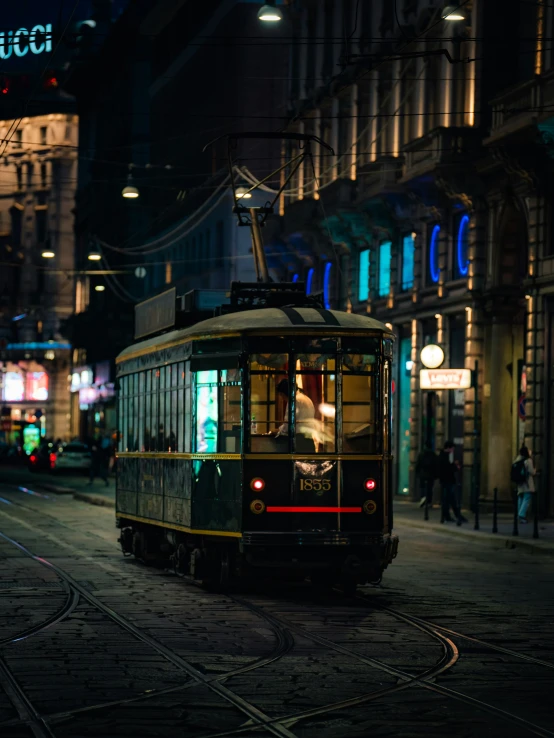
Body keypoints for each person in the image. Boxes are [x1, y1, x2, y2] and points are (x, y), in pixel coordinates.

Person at [272, 379, 316, 453]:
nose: (282, 398)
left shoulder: (293, 401)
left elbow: (288, 424)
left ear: (286, 393)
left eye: (282, 395)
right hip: (309, 440)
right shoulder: (307, 399)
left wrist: (278, 431)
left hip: (298, 442)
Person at [437, 440, 468, 524]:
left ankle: (449, 516)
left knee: (449, 500)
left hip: (446, 481)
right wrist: (455, 466)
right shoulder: (445, 457)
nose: (453, 450)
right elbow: (447, 469)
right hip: (448, 481)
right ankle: (454, 516)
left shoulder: (443, 456)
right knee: (450, 500)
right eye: (452, 448)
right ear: (449, 448)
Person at [513, 445, 535, 523]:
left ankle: (519, 515)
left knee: (521, 497)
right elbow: (531, 471)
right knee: (527, 497)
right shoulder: (528, 460)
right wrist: (535, 470)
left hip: (519, 482)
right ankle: (521, 515)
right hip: (527, 482)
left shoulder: (517, 460)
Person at [416, 443, 437, 508]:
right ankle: (429, 502)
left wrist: (417, 473)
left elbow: (418, 464)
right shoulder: (433, 454)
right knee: (430, 488)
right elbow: (436, 465)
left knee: (422, 487)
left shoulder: (421, 454)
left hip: (422, 474)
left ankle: (423, 498)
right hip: (430, 474)